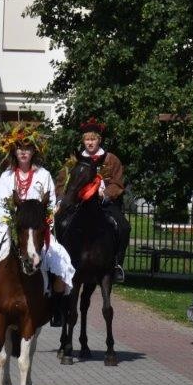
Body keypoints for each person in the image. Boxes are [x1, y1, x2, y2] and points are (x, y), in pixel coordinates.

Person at [0, 126, 76, 325]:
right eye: (19, 148)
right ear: (14, 152)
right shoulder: (7, 177)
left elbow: (49, 204)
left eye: (28, 148)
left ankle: (57, 308)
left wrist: (44, 222)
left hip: (38, 231)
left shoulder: (43, 175)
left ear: (34, 152)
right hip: (12, 231)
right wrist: (12, 225)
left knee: (61, 261)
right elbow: (1, 204)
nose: (24, 152)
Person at [58, 118, 130, 283]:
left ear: (99, 140)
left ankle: (117, 265)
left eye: (93, 139)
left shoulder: (111, 159)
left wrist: (105, 194)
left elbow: (117, 183)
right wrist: (62, 199)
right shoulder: (74, 160)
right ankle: (62, 260)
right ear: (83, 141)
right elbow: (62, 182)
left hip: (104, 204)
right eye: (87, 139)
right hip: (79, 205)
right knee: (61, 223)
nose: (90, 143)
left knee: (124, 226)